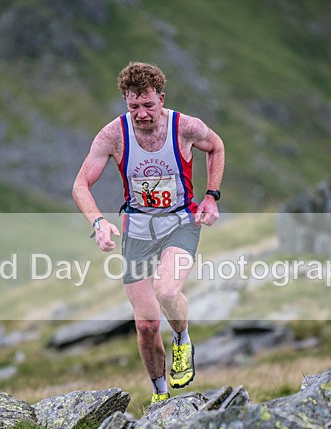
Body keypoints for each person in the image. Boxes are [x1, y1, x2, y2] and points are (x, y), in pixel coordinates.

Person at [72, 61, 225, 404]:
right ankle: (160, 396)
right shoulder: (112, 135)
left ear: (161, 98)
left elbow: (216, 147)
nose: (141, 114)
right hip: (137, 232)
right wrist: (98, 222)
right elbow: (81, 184)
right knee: (145, 325)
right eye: (133, 106)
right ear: (126, 101)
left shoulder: (185, 127)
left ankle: (183, 340)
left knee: (167, 290)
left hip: (179, 224)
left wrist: (211, 197)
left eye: (148, 105)